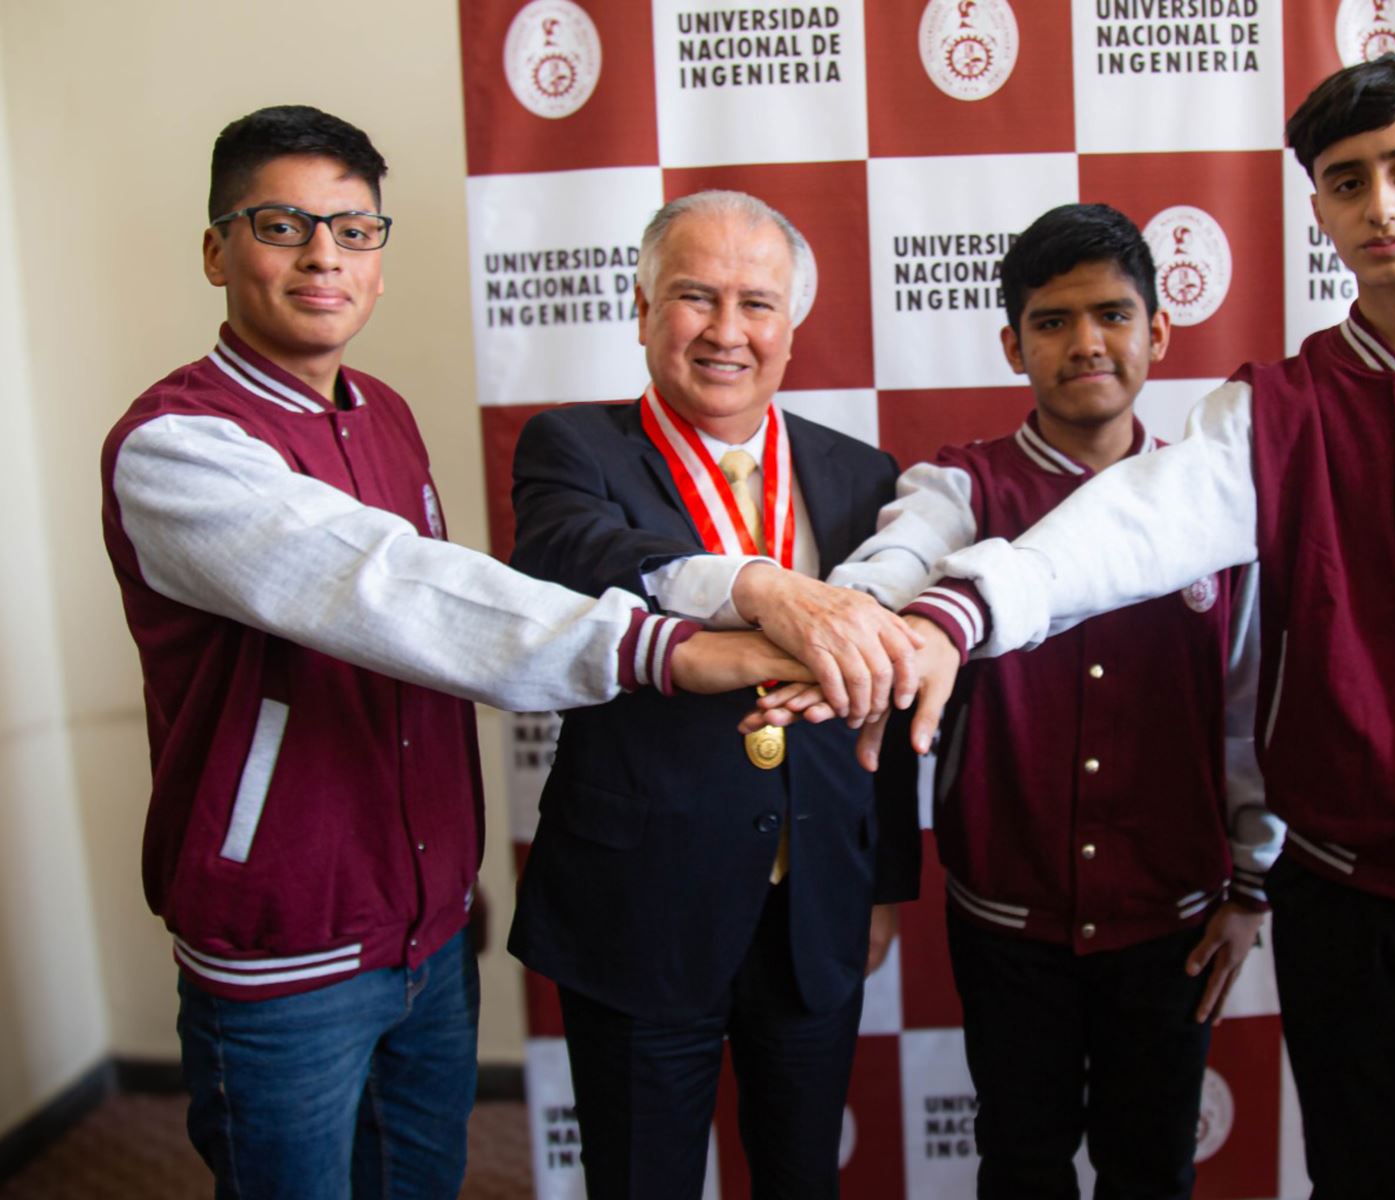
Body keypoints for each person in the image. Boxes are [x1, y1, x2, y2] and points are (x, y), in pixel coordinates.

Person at [785, 56, 1395, 1199]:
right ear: (1317, 207)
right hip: (1350, 899)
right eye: (1346, 181)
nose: (1380, 206)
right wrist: (951, 614)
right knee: (1356, 1182)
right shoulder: (1271, 412)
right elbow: (1122, 526)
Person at [99, 107, 802, 1200]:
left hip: (426, 933)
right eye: (282, 225)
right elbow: (398, 595)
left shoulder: (382, 415)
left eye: (354, 229)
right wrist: (674, 649)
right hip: (287, 954)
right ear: (215, 249)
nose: (324, 255)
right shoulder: (176, 449)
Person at [817, 203, 1283, 1198]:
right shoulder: (960, 489)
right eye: (1053, 321)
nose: (1086, 344)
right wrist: (843, 610)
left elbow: (1248, 714)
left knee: (1152, 1169)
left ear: (1159, 332)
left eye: (1114, 315)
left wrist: (1253, 885)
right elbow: (899, 555)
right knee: (1020, 1165)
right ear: (1012, 343)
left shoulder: (1212, 504)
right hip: (1007, 921)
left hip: (1176, 922)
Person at [504, 190, 921, 1200]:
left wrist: (884, 879)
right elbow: (581, 558)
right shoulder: (573, 449)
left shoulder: (862, 474)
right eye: (696, 297)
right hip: (638, 903)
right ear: (642, 306)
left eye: (758, 303)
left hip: (816, 900)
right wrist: (758, 587)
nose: (728, 332)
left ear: (792, 325)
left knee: (800, 1178)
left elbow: (889, 696)